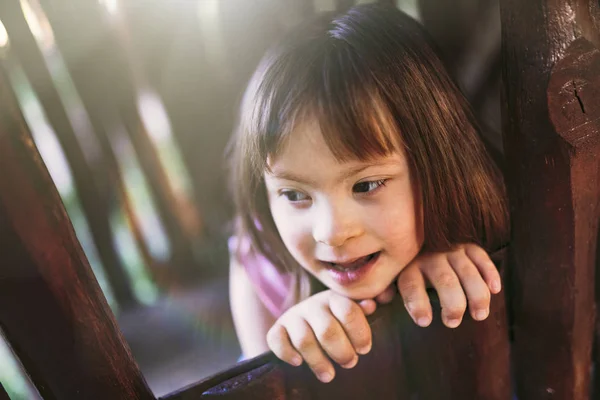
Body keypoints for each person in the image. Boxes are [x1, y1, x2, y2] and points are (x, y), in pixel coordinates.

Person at [226, 3, 509, 383]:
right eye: (294, 195)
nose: (331, 232)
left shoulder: (507, 218)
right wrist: (289, 353)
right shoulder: (262, 265)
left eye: (366, 185)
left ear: (440, 163)